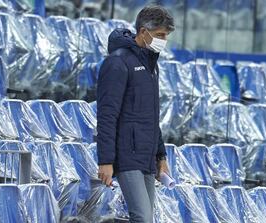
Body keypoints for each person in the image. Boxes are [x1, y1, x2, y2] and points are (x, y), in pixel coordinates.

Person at [96, 5, 175, 223]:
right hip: (126, 155)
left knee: (147, 218)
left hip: (146, 157)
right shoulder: (117, 62)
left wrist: (161, 157)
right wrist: (105, 160)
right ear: (143, 32)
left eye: (166, 36)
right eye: (160, 35)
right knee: (142, 218)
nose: (163, 40)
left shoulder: (151, 65)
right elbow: (106, 115)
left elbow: (152, 116)